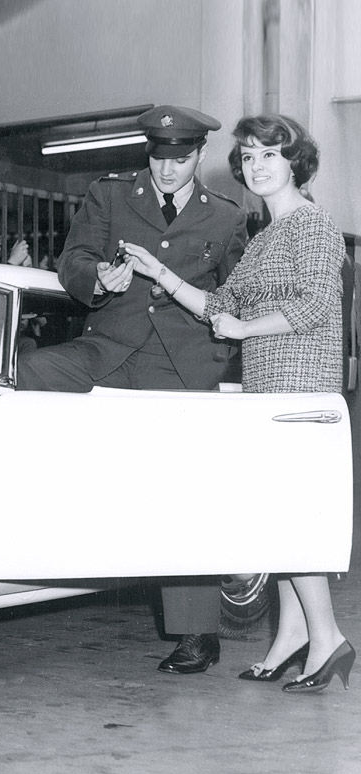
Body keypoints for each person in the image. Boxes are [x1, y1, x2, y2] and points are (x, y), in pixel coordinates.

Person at [17, 104, 249, 676]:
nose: (167, 170)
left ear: (199, 156)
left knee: (180, 489)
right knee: (28, 374)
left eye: (180, 160)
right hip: (110, 348)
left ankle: (198, 633)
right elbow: (75, 259)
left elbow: (235, 298)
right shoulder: (112, 195)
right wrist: (98, 278)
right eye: (158, 157)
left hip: (180, 364)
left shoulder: (225, 217)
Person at [126, 114, 351, 692]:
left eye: (270, 154)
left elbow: (316, 306)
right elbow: (219, 303)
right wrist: (161, 273)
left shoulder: (312, 225)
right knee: (277, 517)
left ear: (296, 163)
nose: (256, 166)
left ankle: (327, 638)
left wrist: (246, 328)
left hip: (301, 389)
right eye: (248, 157)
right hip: (267, 391)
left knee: (291, 519)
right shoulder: (265, 236)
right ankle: (292, 636)